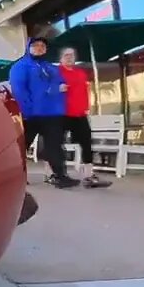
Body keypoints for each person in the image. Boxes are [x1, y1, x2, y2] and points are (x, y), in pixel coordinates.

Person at [9, 37, 79, 188]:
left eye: (43, 46)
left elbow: (61, 84)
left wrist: (57, 94)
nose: (40, 48)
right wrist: (26, 111)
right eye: (36, 45)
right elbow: (19, 90)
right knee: (21, 146)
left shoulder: (50, 67)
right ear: (28, 47)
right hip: (31, 115)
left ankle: (60, 176)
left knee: (55, 146)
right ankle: (14, 177)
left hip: (52, 114)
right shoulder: (20, 67)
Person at [59, 48, 111, 188]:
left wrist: (86, 107)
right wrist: (57, 88)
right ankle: (53, 173)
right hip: (62, 113)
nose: (69, 58)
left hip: (80, 114)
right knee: (56, 143)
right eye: (66, 55)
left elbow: (83, 92)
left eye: (72, 55)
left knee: (86, 142)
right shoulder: (56, 73)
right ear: (61, 59)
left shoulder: (81, 73)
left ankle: (88, 176)